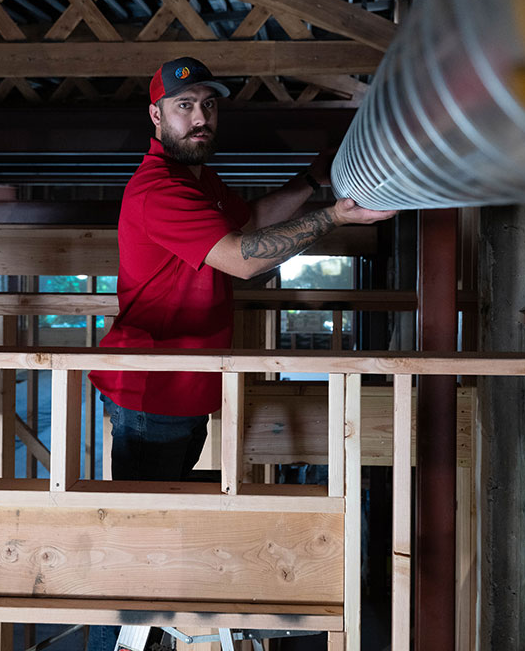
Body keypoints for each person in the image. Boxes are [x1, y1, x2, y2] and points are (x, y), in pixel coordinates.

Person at [87, 56, 395, 651]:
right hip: (153, 388)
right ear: (156, 116)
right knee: (139, 542)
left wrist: (312, 182)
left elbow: (249, 220)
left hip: (185, 385)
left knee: (163, 528)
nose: (200, 118)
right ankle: (111, 646)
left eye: (208, 105)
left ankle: (149, 636)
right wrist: (333, 215)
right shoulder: (158, 188)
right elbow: (245, 258)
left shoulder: (198, 181)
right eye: (185, 107)